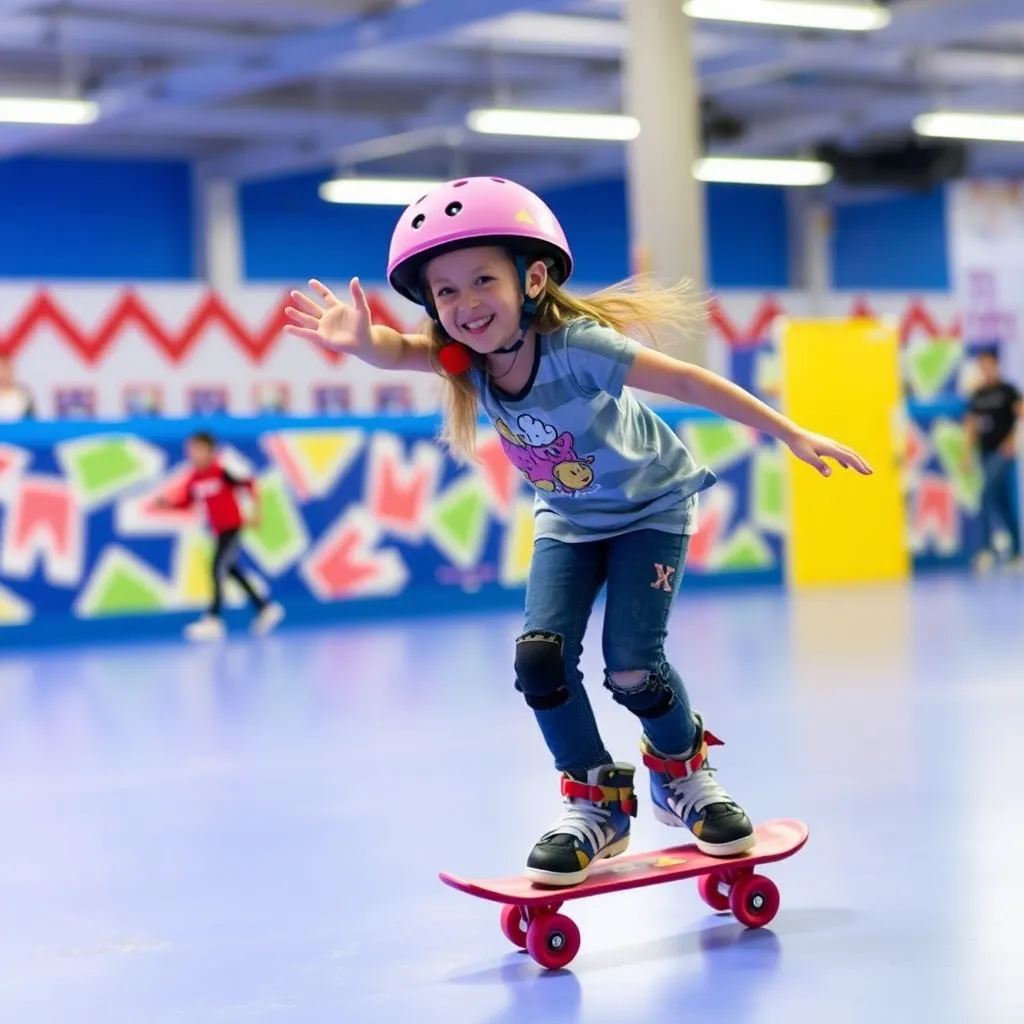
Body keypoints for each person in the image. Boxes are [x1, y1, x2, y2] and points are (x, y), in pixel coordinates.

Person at [284, 177, 872, 887]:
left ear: (532, 278)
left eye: (482, 280)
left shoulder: (577, 346)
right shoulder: (462, 359)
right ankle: (595, 804)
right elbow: (397, 350)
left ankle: (683, 776)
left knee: (631, 665)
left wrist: (787, 430)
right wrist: (359, 344)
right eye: (445, 292)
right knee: (539, 661)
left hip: (650, 510)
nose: (465, 305)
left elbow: (686, 382)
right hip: (568, 521)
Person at [156, 431, 285, 640]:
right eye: (189, 451)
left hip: (232, 528)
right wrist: (167, 504)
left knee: (217, 567)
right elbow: (186, 503)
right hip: (218, 531)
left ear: (209, 450)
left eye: (197, 450)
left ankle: (213, 619)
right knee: (233, 571)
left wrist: (255, 512)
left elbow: (250, 485)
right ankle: (265, 607)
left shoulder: (222, 471)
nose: (193, 455)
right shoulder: (195, 479)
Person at [963, 346, 1023, 572]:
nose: (986, 370)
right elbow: (971, 425)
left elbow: (1021, 415)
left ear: (996, 366)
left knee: (985, 494)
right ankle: (1017, 550)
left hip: (1003, 453)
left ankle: (985, 549)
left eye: (989, 365)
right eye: (982, 366)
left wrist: (1012, 440)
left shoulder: (1009, 391)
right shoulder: (977, 395)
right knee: (1002, 502)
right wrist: (966, 454)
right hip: (985, 453)